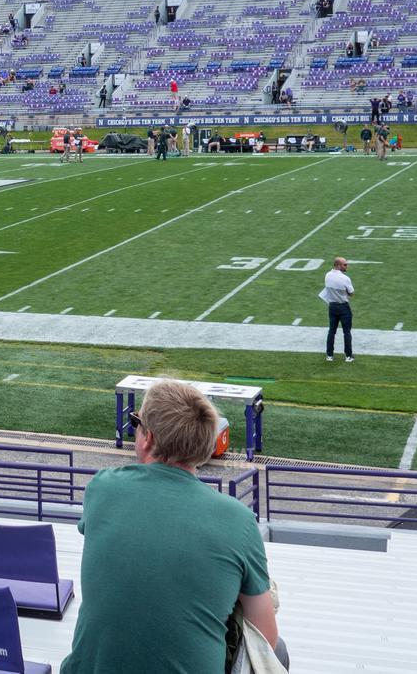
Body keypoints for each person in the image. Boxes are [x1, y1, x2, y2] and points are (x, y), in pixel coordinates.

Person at [61, 380, 283, 674]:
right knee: (280, 652)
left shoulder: (103, 486)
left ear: (148, 438)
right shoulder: (237, 520)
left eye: (136, 423)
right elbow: (266, 638)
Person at [320, 256, 355, 362]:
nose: (346, 266)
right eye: (345, 264)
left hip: (332, 306)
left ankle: (329, 355)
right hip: (343, 307)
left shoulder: (327, 275)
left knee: (331, 331)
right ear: (338, 265)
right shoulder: (345, 278)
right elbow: (351, 293)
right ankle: (348, 356)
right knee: (347, 332)